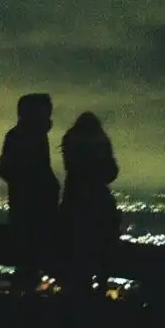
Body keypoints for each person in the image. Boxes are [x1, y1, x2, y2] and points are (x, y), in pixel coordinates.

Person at [0, 93, 60, 293]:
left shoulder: (22, 135)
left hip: (24, 207)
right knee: (30, 259)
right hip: (32, 209)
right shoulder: (31, 136)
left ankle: (23, 299)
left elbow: (5, 169)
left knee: (27, 260)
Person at [59, 112, 120, 296]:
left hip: (73, 207)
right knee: (101, 254)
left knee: (77, 263)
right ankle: (98, 295)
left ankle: (76, 299)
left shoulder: (71, 144)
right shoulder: (99, 143)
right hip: (97, 207)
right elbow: (111, 172)